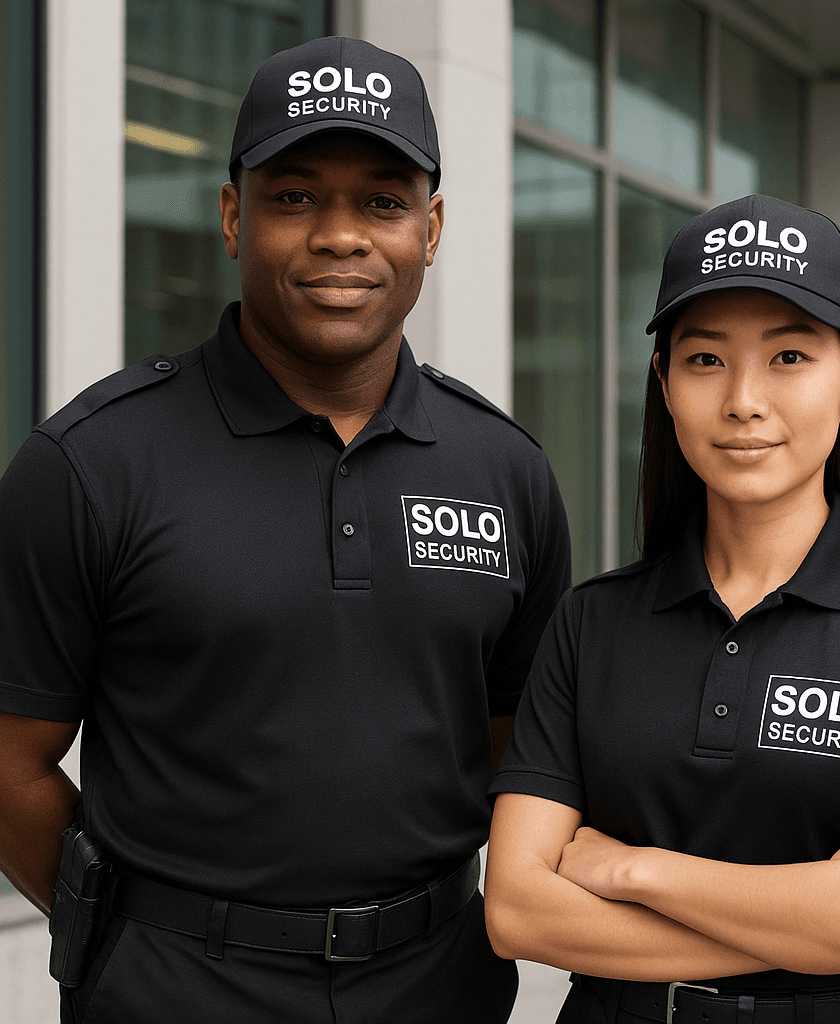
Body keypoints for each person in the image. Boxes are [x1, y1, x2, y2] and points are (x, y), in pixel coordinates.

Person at [0, 36, 571, 1024]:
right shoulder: (91, 462)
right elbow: (10, 758)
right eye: (295, 196)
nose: (340, 236)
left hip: (436, 989)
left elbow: (516, 753)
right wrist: (133, 934)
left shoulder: (506, 471)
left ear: (431, 229)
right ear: (233, 216)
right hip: (174, 994)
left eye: (383, 202)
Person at [485, 194, 840, 1023]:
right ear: (662, 384)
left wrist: (635, 871)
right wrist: (819, 908)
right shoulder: (591, 622)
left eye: (790, 358)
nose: (743, 400)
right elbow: (517, 910)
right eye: (704, 361)